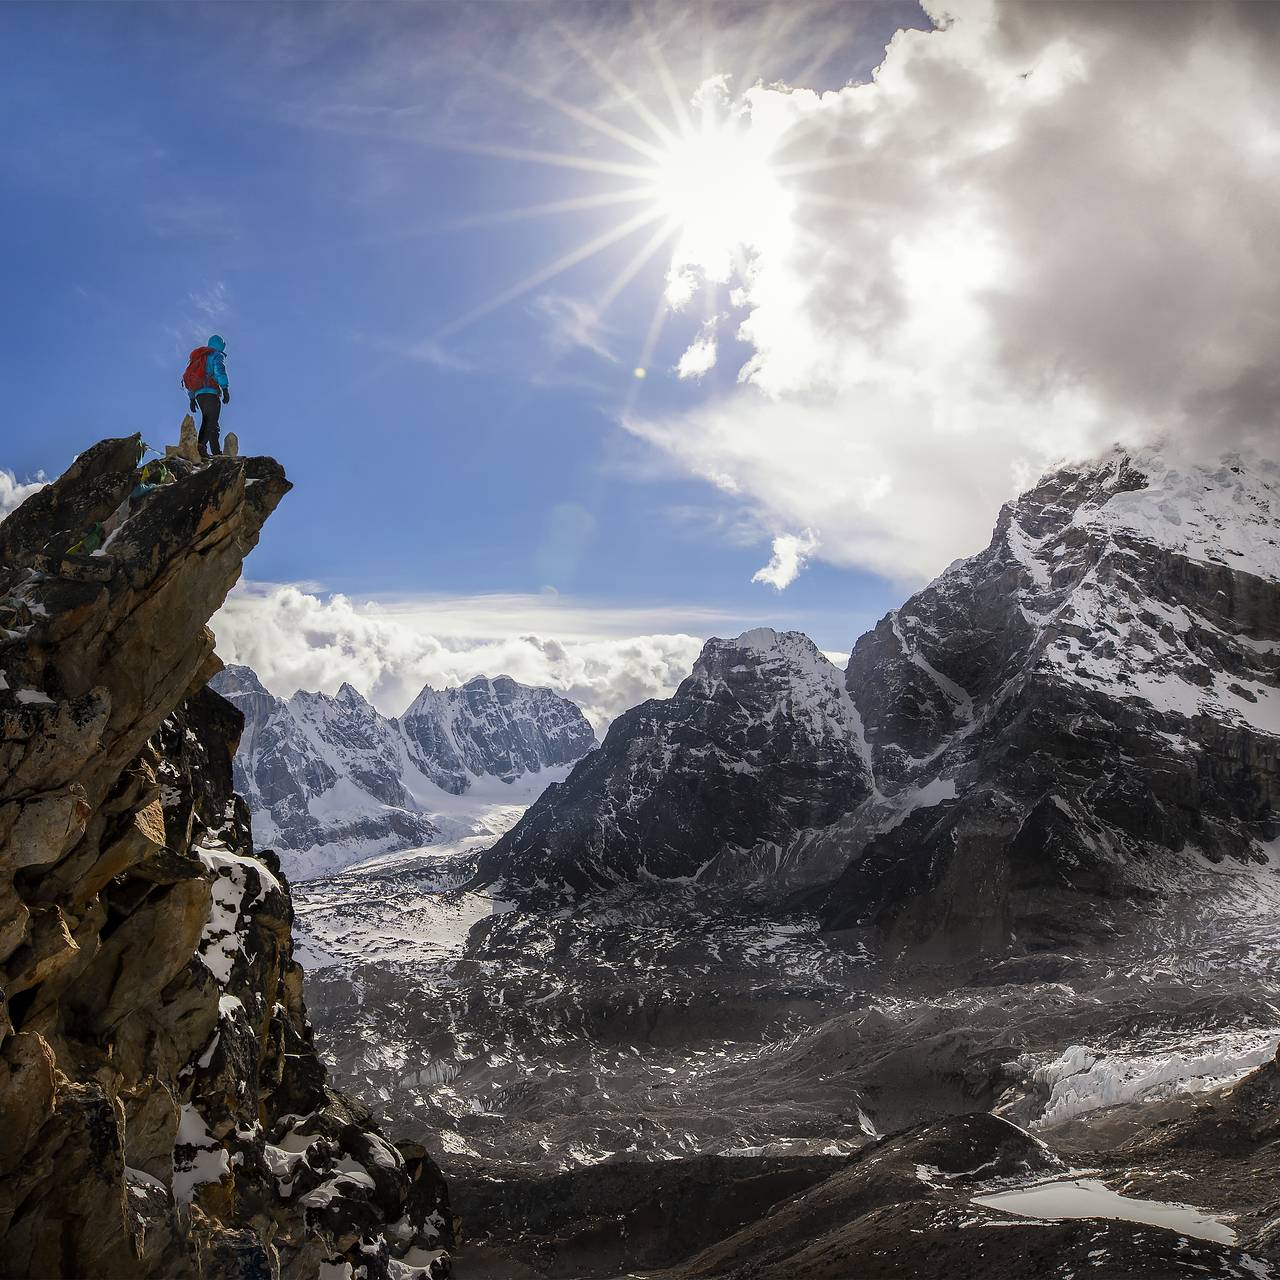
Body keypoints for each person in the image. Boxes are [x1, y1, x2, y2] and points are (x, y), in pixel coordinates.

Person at [187, 334, 231, 458]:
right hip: (211, 392)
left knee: (212, 422)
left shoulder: (199, 358)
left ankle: (216, 452)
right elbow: (219, 371)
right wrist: (225, 388)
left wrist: (191, 398)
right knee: (210, 421)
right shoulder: (216, 355)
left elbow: (190, 377)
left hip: (198, 395)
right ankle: (201, 446)